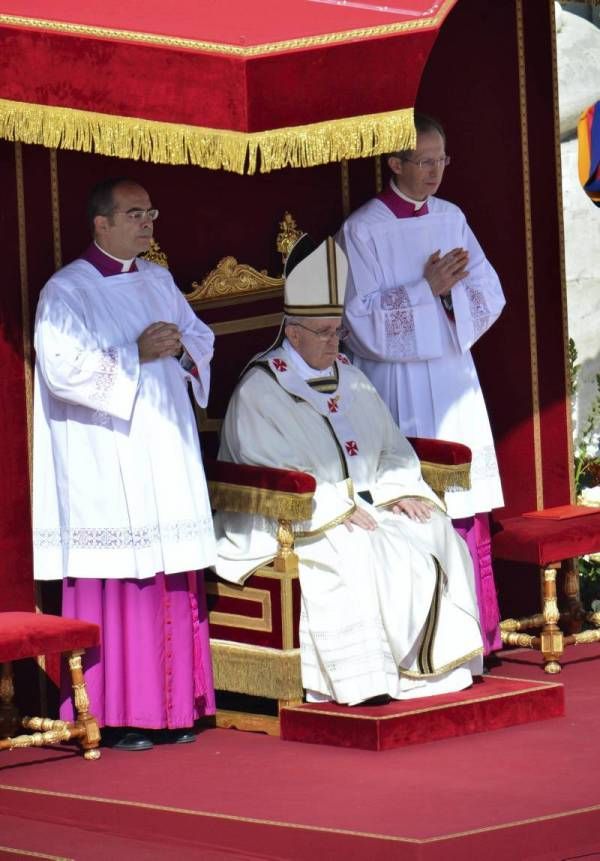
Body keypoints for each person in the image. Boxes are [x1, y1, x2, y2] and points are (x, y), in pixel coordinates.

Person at [214, 235, 483, 705]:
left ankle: (434, 665)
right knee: (359, 548)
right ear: (292, 333)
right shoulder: (261, 389)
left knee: (435, 528)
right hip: (296, 519)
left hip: (364, 502)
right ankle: (368, 678)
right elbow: (266, 470)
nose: (334, 342)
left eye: (337, 331)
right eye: (322, 332)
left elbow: (390, 448)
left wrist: (399, 488)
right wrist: (335, 506)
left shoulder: (351, 378)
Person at [33, 177, 217, 750]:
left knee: (168, 573)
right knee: (123, 580)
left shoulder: (159, 280)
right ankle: (116, 715)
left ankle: (173, 708)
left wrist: (183, 348)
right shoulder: (66, 292)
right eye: (134, 213)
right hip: (107, 456)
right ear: (101, 224)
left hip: (165, 450)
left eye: (151, 212)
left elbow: (200, 339)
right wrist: (134, 353)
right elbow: (62, 370)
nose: (147, 222)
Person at [339, 113, 505, 656]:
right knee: (410, 499)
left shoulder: (452, 217)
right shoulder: (363, 229)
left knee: (462, 497)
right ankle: (418, 646)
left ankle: (473, 639)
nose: (437, 171)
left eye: (442, 159)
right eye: (425, 161)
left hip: (451, 373)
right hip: (397, 381)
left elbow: (488, 290)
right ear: (395, 163)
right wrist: (424, 289)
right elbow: (355, 320)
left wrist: (449, 299)